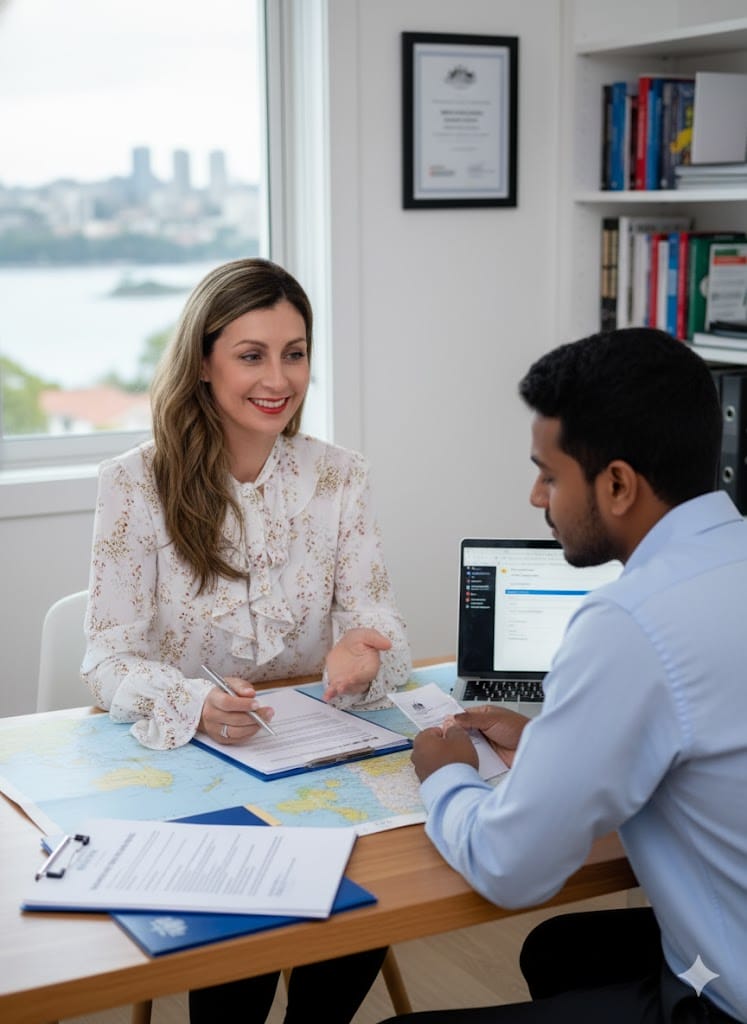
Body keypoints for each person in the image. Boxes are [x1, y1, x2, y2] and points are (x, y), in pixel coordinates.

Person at [379, 328, 747, 1024]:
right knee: (558, 952)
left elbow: (509, 867)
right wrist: (550, 739)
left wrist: (445, 772)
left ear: (615, 485)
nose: (533, 495)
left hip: (726, 1002)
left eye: (548, 475)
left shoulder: (630, 620)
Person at [82, 256, 411, 1024]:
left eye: (294, 353)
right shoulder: (135, 485)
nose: (279, 378)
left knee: (368, 888)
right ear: (203, 362)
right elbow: (107, 659)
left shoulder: (339, 477)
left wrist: (363, 645)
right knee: (243, 924)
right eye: (251, 355)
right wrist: (192, 704)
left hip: (310, 754)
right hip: (192, 764)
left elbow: (381, 619)